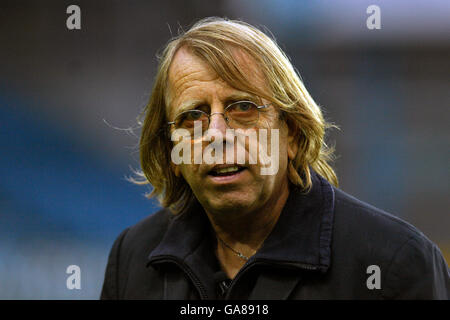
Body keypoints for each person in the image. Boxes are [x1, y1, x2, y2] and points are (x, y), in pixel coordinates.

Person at [100, 17, 449, 300]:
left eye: (243, 108)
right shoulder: (133, 259)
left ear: (293, 134)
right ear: (172, 151)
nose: (217, 135)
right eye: (193, 116)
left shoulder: (396, 263)